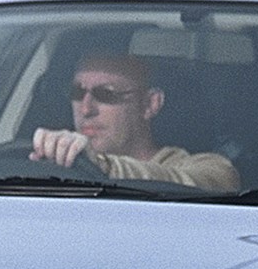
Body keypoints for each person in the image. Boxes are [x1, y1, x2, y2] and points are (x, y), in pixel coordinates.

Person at [31, 53, 240, 191]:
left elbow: (201, 185)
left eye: (106, 94)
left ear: (150, 104)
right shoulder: (51, 166)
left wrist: (101, 166)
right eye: (77, 92)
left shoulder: (210, 168)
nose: (86, 109)